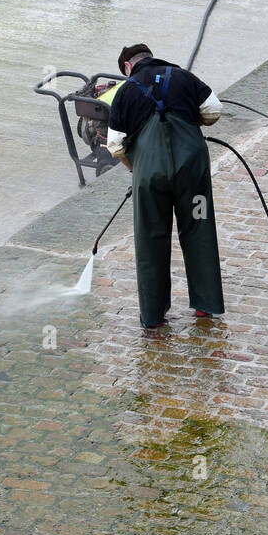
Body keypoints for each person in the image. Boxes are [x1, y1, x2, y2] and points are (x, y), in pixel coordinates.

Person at [106, 43, 225, 328]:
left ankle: (154, 316)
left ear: (127, 66)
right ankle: (204, 305)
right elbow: (213, 111)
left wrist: (137, 168)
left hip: (150, 178)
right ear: (150, 56)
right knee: (199, 229)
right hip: (193, 174)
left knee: (151, 239)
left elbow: (115, 146)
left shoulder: (125, 91)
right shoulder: (183, 76)